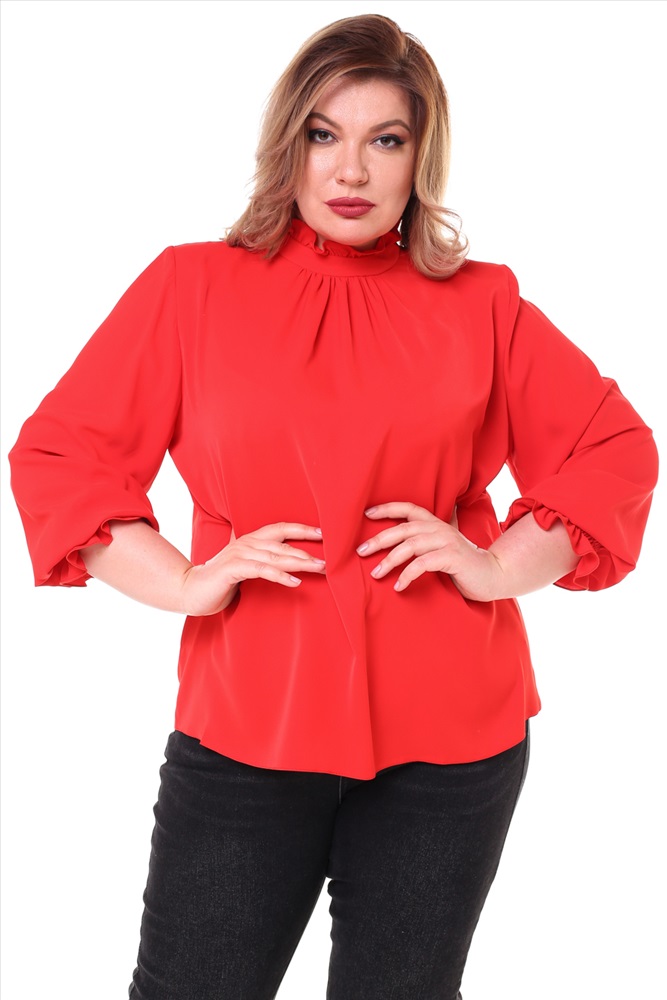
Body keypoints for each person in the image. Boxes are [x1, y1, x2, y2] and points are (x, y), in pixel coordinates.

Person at [8, 12, 658, 1000]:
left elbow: (612, 451)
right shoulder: (190, 287)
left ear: (419, 157)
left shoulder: (481, 303)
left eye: (384, 140)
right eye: (324, 134)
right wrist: (183, 583)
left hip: (451, 741)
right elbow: (61, 455)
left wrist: (494, 566)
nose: (350, 169)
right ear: (289, 144)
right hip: (247, 724)